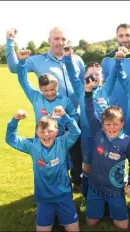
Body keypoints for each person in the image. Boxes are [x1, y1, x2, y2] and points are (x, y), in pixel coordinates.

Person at [5, 27, 85, 191]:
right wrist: (9, 42)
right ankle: (48, 190)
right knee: (48, 161)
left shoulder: (76, 59)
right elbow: (15, 69)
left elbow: (83, 85)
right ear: (49, 40)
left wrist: (73, 119)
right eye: (56, 39)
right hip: (47, 127)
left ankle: (76, 184)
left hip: (72, 119)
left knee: (77, 157)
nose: (60, 42)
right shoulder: (38, 60)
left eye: (63, 39)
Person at [5, 107, 81, 232]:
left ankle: (60, 215)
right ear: (37, 132)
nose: (46, 135)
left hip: (64, 196)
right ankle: (52, 215)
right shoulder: (32, 145)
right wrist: (15, 120)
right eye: (42, 131)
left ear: (57, 131)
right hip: (44, 198)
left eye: (50, 131)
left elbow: (76, 132)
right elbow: (10, 139)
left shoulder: (62, 143)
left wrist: (64, 115)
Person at [65, 50, 119, 210]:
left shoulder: (105, 89)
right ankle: (86, 197)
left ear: (102, 77)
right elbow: (70, 73)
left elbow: (115, 73)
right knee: (87, 167)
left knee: (107, 166)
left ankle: (109, 196)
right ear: (84, 78)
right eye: (91, 74)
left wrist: (118, 60)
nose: (95, 77)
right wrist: (68, 58)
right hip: (88, 137)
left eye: (98, 74)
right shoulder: (81, 89)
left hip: (106, 137)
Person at [84, 77, 130, 230]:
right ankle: (100, 207)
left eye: (116, 124)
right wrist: (88, 92)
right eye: (108, 124)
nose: (111, 127)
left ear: (122, 124)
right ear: (103, 124)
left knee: (122, 226)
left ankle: (112, 208)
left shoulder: (127, 141)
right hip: (95, 189)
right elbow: (90, 111)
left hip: (116, 191)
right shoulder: (99, 132)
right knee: (90, 223)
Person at [16, 50, 79, 136]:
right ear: (41, 89)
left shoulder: (65, 100)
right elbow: (24, 82)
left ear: (57, 87)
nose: (49, 93)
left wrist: (68, 130)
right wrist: (21, 62)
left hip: (59, 143)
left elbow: (74, 115)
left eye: (52, 89)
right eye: (46, 90)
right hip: (40, 142)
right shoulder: (36, 97)